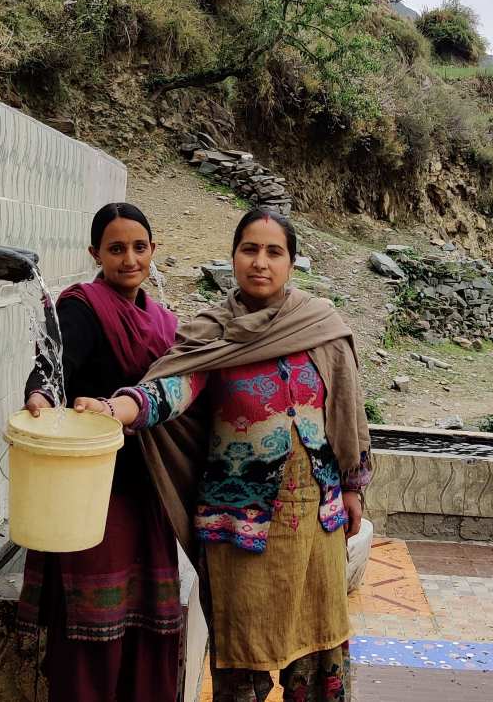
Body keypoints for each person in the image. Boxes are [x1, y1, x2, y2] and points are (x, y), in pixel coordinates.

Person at [86, 208, 371, 701]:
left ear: (292, 262)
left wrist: (352, 488)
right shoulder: (211, 334)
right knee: (242, 676)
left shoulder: (320, 325)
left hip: (316, 530)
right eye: (250, 249)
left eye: (273, 252)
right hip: (241, 537)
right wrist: (121, 407)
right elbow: (171, 389)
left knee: (318, 665)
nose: (260, 262)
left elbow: (348, 414)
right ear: (234, 256)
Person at [17, 202, 183, 702]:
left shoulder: (164, 322)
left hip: (148, 487)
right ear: (95, 253)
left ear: (153, 251)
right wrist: (41, 396)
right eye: (116, 249)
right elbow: (52, 362)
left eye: (138, 247)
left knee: (148, 622)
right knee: (90, 621)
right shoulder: (82, 307)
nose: (128, 258)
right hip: (94, 493)